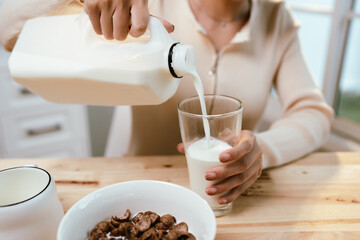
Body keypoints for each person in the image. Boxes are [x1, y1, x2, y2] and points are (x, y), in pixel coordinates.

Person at [0, 0, 334, 206]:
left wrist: (263, 148)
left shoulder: (277, 20)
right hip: (130, 186)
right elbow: (8, 32)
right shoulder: (150, 5)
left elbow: (313, 113)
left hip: (223, 196)